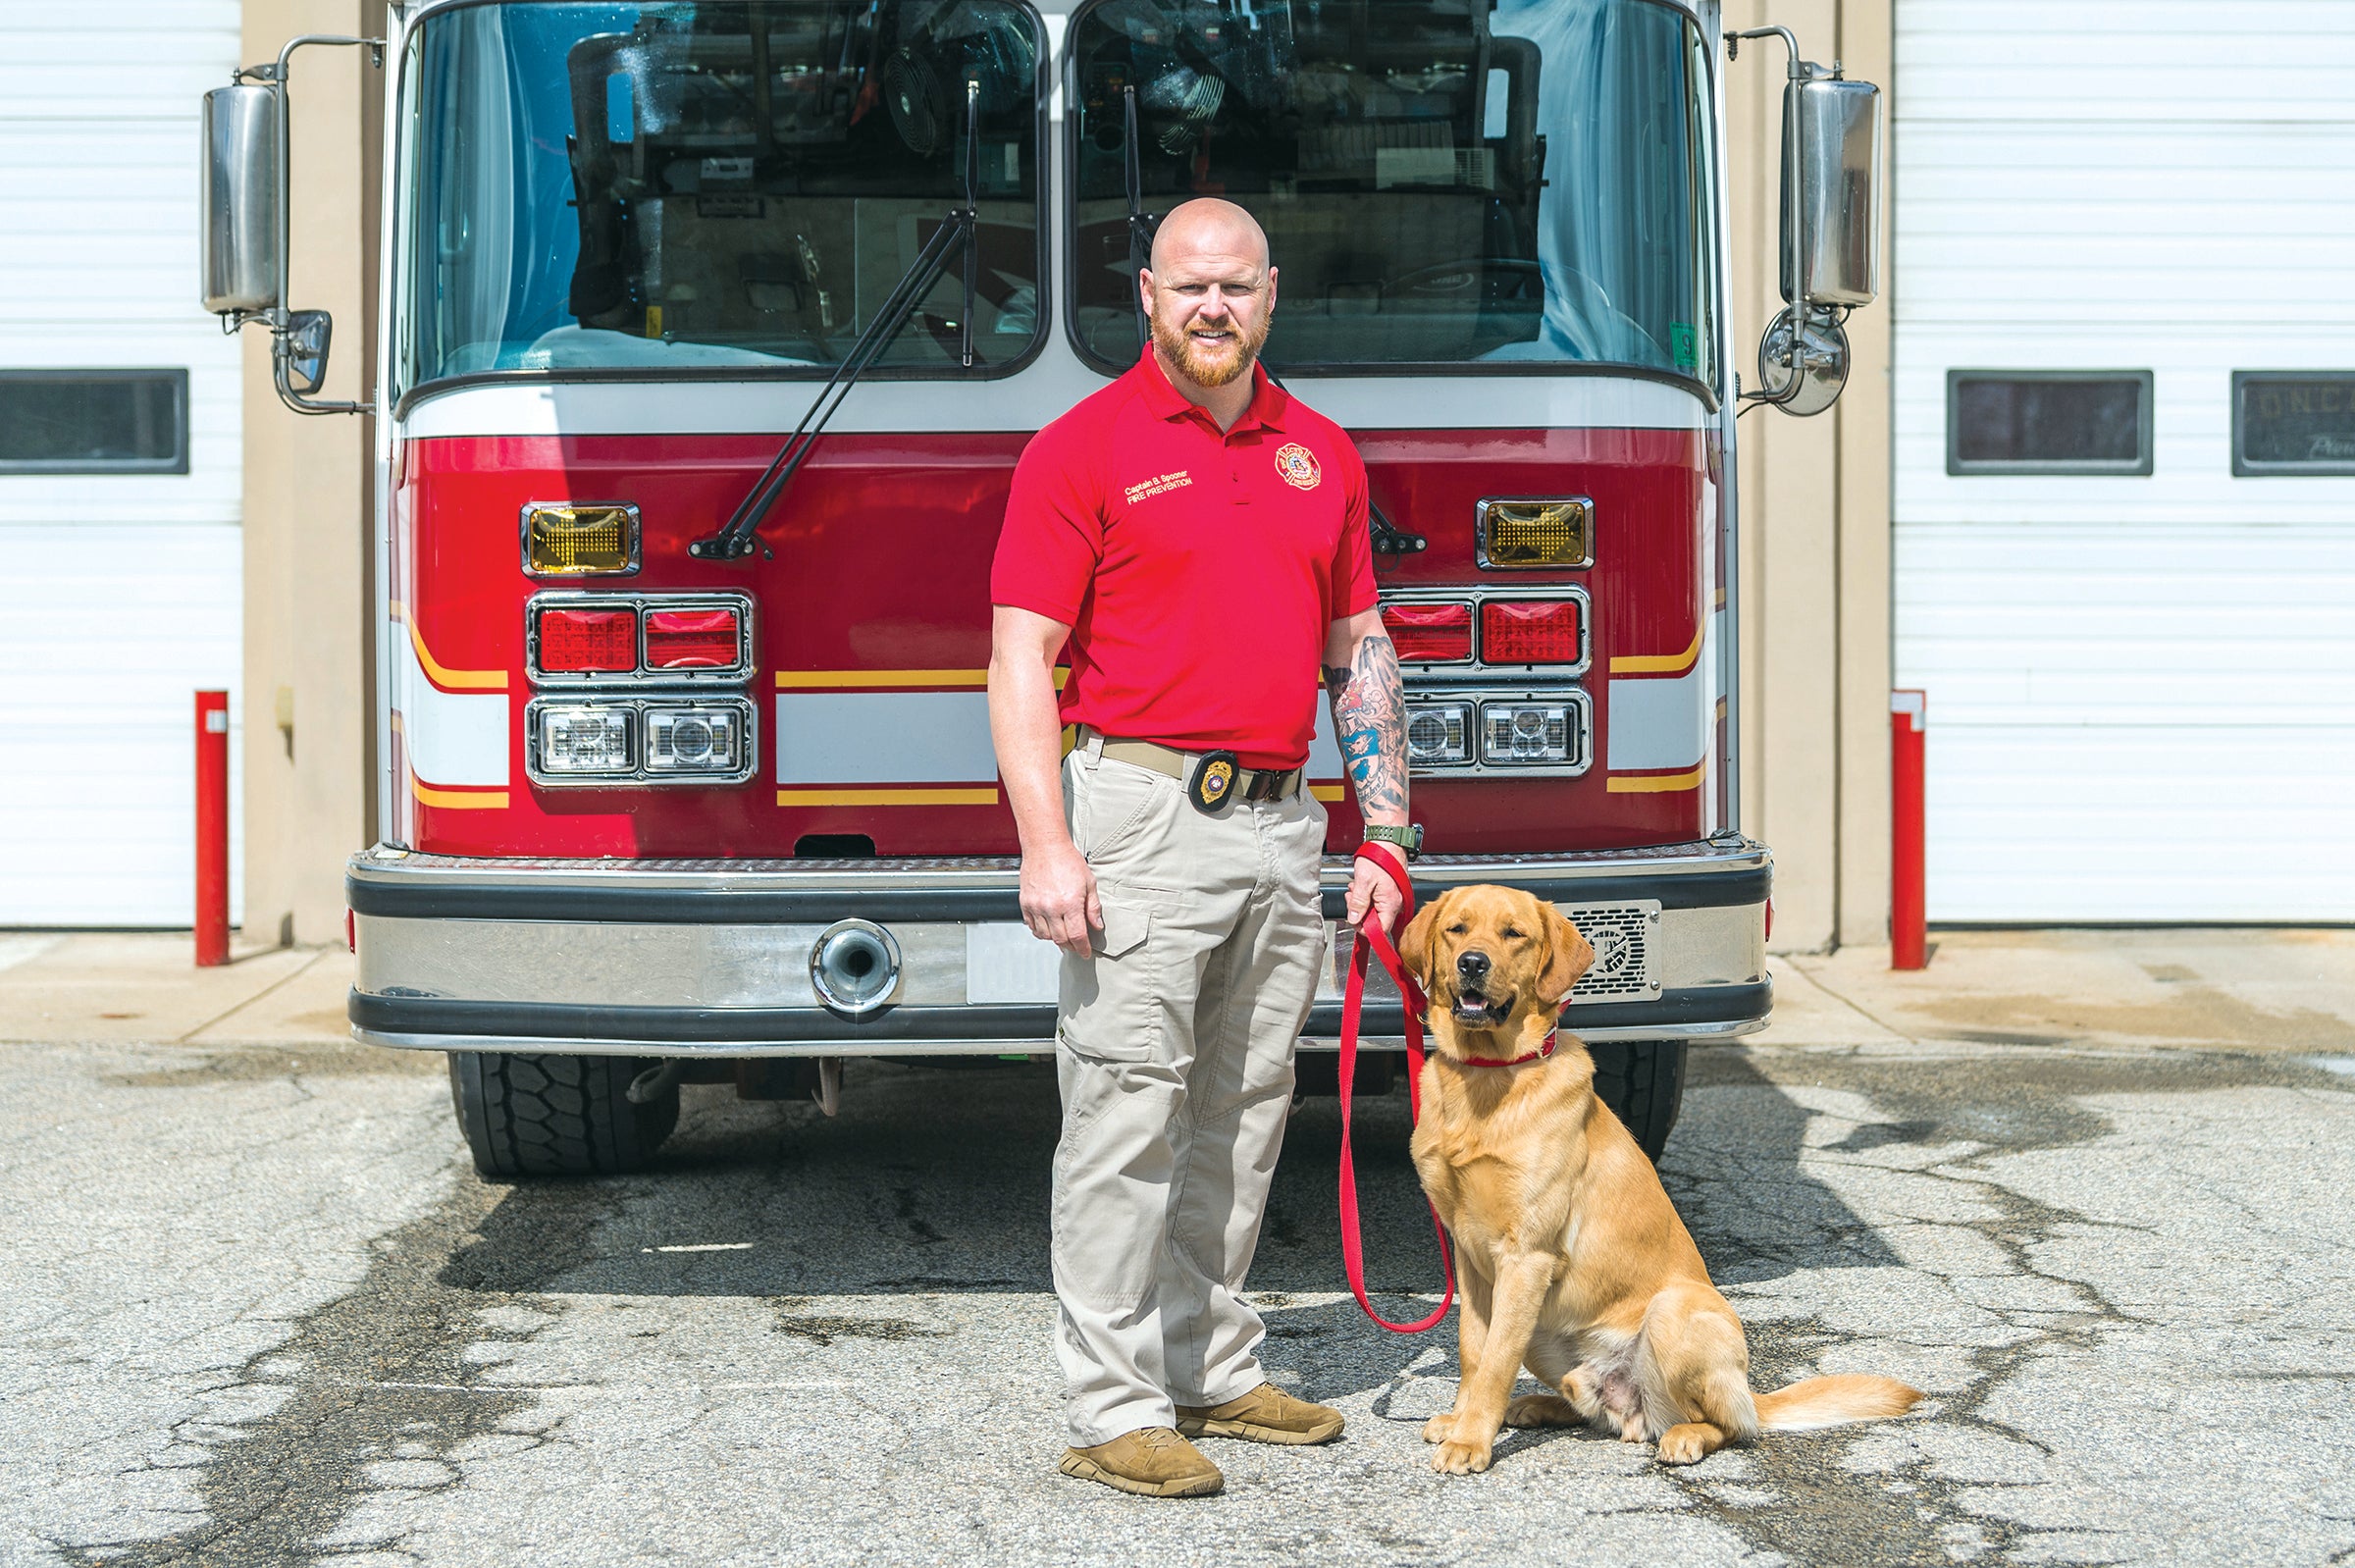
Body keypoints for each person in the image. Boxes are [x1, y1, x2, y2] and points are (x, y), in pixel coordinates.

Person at [986, 198, 1416, 1498]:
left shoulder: (1322, 454)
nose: (1213, 308)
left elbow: (1362, 653)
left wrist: (1387, 826)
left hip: (1286, 826)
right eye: (1189, 288)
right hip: (1140, 815)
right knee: (1126, 1110)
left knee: (1240, 1110)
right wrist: (1047, 844)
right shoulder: (1081, 448)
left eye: (1234, 287)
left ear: (1271, 294)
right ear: (1149, 297)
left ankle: (1210, 1365)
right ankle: (1116, 1401)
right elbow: (1020, 662)